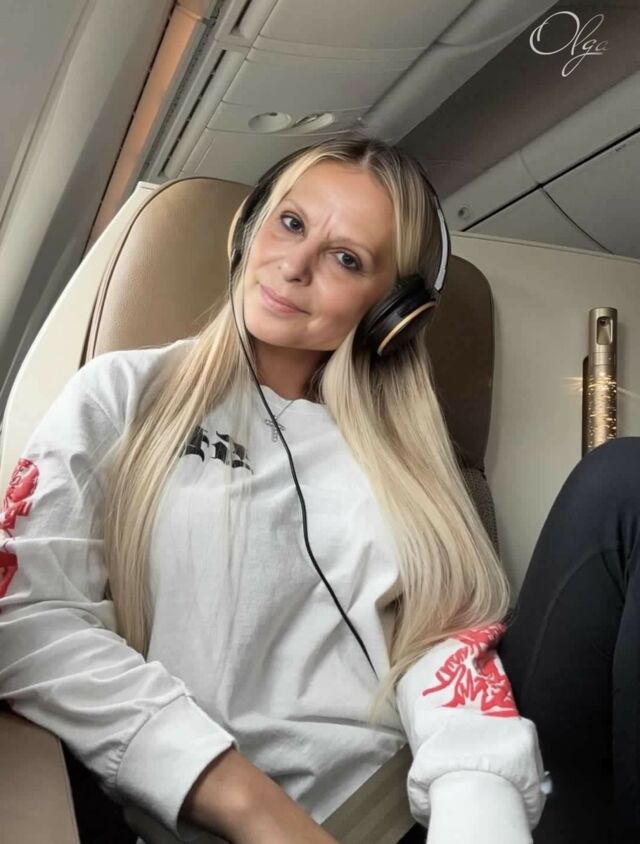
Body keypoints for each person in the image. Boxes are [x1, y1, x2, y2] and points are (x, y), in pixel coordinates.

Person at [1, 133, 587, 844]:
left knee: (616, 486)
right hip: (190, 813)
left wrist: (477, 809)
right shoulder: (122, 393)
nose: (295, 265)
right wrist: (245, 802)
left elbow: (444, 645)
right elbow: (30, 618)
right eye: (290, 222)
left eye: (347, 259)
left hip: (389, 814)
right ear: (249, 228)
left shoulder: (412, 469)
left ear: (389, 311)